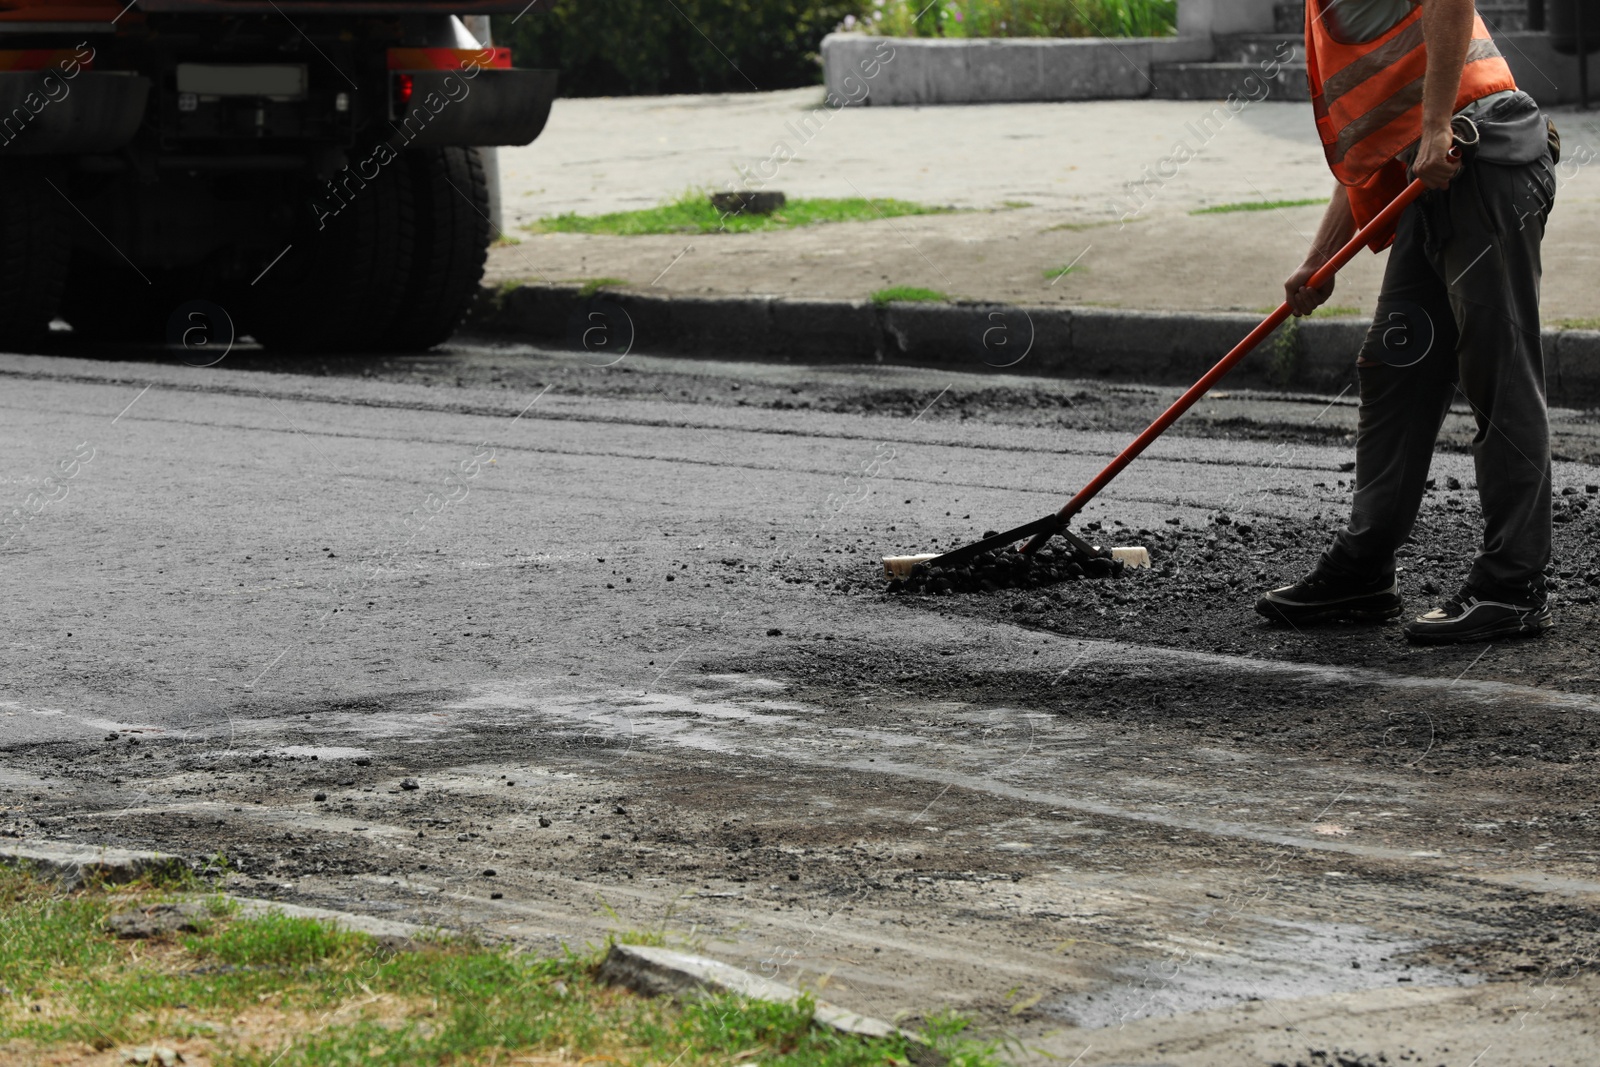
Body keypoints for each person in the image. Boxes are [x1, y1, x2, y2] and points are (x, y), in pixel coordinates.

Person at [1256, 0, 1559, 644]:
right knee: (1396, 365)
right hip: (1436, 177)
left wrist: (1435, 123)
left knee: (1497, 372)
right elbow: (1373, 142)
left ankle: (1511, 585)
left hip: (1482, 161)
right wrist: (1320, 258)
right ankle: (1365, 569)